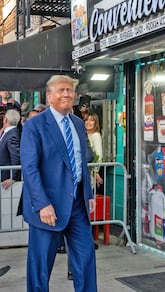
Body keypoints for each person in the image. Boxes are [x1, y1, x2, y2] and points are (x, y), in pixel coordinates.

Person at [19, 75, 97, 292]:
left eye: (70, 90)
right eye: (61, 90)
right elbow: (30, 168)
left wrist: (88, 194)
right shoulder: (35, 125)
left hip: (77, 206)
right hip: (48, 209)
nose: (66, 94)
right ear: (50, 96)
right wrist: (42, 204)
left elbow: (81, 163)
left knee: (86, 260)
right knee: (40, 269)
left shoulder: (78, 124)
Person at [0, 109, 21, 190]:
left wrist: (13, 177)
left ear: (5, 119)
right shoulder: (8, 133)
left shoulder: (13, 135)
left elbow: (16, 157)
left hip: (6, 178)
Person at [84, 112, 103, 190]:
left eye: (91, 120)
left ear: (96, 123)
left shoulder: (96, 135)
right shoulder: (84, 134)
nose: (88, 122)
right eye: (86, 120)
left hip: (90, 172)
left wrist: (96, 172)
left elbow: (98, 155)